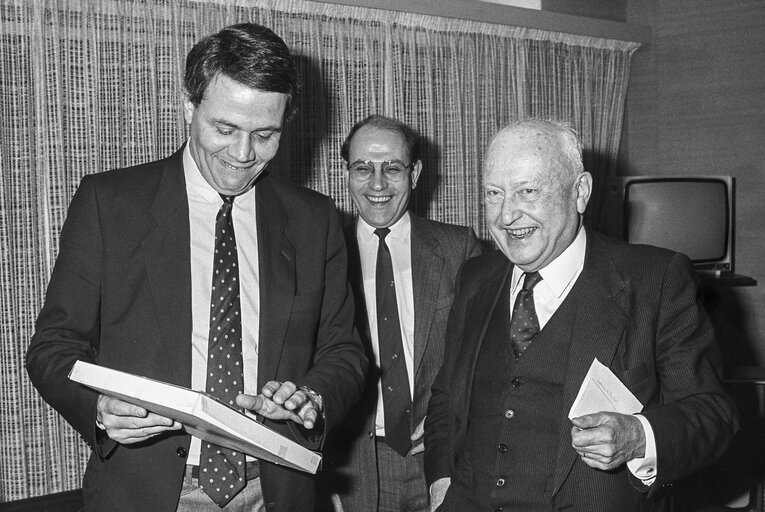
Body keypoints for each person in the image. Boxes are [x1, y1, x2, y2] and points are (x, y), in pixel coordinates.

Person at [25, 23, 367, 512]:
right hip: (146, 493)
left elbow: (345, 353)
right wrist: (99, 409)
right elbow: (53, 347)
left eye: (265, 134)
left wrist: (310, 398)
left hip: (275, 493)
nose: (243, 155)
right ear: (189, 107)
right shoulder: (110, 204)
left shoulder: (315, 221)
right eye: (224, 129)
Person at [424, 118, 739, 511]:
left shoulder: (655, 280)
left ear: (580, 192)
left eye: (527, 191)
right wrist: (440, 485)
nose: (507, 216)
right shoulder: (475, 277)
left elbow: (713, 414)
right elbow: (444, 399)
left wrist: (639, 436)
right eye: (494, 193)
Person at [321, 115, 481, 512]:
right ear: (347, 174)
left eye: (392, 168)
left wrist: (455, 422)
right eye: (363, 169)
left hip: (440, 457)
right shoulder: (322, 253)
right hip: (351, 465)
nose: (377, 185)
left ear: (415, 173)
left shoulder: (457, 249)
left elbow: (484, 354)